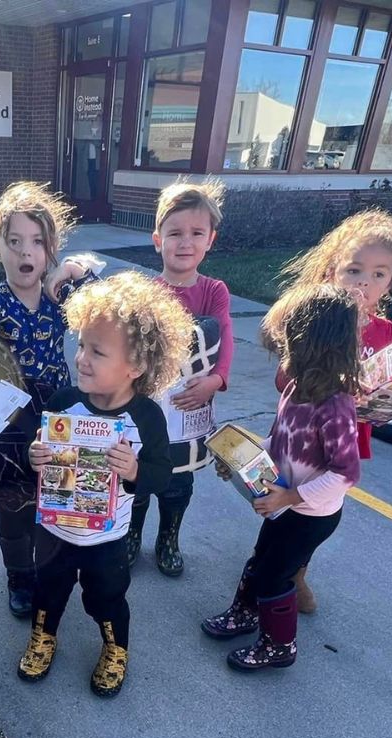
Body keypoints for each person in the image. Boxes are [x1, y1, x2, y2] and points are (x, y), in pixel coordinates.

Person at [21, 271, 193, 697]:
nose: (81, 358)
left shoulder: (147, 417)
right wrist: (35, 455)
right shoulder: (64, 402)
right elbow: (40, 452)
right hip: (57, 528)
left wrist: (134, 470)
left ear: (135, 366)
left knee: (107, 596)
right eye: (81, 345)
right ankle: (44, 635)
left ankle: (116, 647)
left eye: (97, 351)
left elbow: (162, 473)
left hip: (109, 536)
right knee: (48, 589)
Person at [0, 181, 98, 618]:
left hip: (57, 411)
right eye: (14, 242)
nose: (25, 253)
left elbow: (102, 304)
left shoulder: (59, 296)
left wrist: (73, 270)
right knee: (14, 499)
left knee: (57, 489)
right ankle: (19, 575)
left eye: (37, 243)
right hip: (7, 417)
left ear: (50, 250)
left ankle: (52, 565)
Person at [262, 209, 392, 611]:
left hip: (345, 432)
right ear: (333, 270)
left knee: (320, 506)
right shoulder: (317, 317)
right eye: (354, 270)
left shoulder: (382, 330)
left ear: (390, 280)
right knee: (287, 501)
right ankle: (277, 564)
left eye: (379, 274)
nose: (365, 282)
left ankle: (295, 571)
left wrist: (389, 403)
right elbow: (287, 380)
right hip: (305, 430)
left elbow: (382, 384)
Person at [202, 284, 362, 671]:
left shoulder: (336, 405)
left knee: (277, 576)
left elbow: (346, 473)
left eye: (290, 338)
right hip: (284, 503)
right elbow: (280, 439)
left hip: (311, 515)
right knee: (261, 561)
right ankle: (244, 613)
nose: (282, 347)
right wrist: (242, 463)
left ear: (314, 343)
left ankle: (280, 645)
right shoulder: (296, 387)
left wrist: (288, 498)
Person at [125, 182, 234, 577]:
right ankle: (131, 535)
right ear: (158, 241)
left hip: (191, 403)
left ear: (210, 240)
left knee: (178, 483)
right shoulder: (146, 293)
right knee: (138, 475)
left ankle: (168, 538)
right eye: (174, 233)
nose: (185, 242)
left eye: (196, 233)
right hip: (150, 406)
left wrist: (217, 380)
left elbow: (224, 339)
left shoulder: (213, 292)